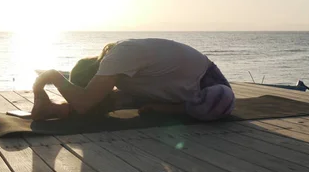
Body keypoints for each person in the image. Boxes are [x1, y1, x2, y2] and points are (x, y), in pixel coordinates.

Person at [32, 38, 235, 121]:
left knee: (223, 97)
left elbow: (84, 102)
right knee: (110, 102)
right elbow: (88, 102)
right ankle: (55, 108)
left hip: (205, 81)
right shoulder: (116, 69)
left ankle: (176, 109)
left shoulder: (118, 57)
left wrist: (49, 77)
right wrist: (54, 107)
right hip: (165, 90)